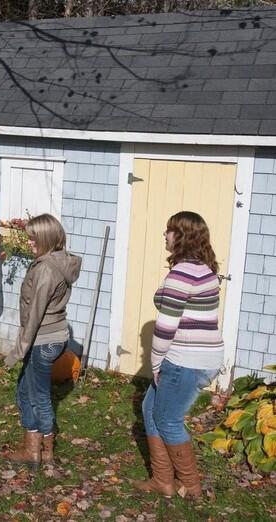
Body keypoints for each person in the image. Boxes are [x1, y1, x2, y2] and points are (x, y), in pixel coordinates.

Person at [133, 211, 224, 499]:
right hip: (197, 357)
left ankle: (191, 486)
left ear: (182, 236)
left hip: (186, 360)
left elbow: (166, 326)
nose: (165, 234)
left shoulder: (183, 273)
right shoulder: (202, 269)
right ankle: (163, 481)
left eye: (170, 230)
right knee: (150, 409)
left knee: (168, 418)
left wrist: (156, 362)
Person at [3, 214, 81, 469]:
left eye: (33, 239)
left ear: (46, 238)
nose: (29, 243)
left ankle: (44, 454)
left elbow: (35, 313)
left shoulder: (46, 269)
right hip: (53, 337)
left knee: (38, 396)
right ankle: (32, 449)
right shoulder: (57, 262)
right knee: (25, 391)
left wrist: (19, 349)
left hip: (42, 339)